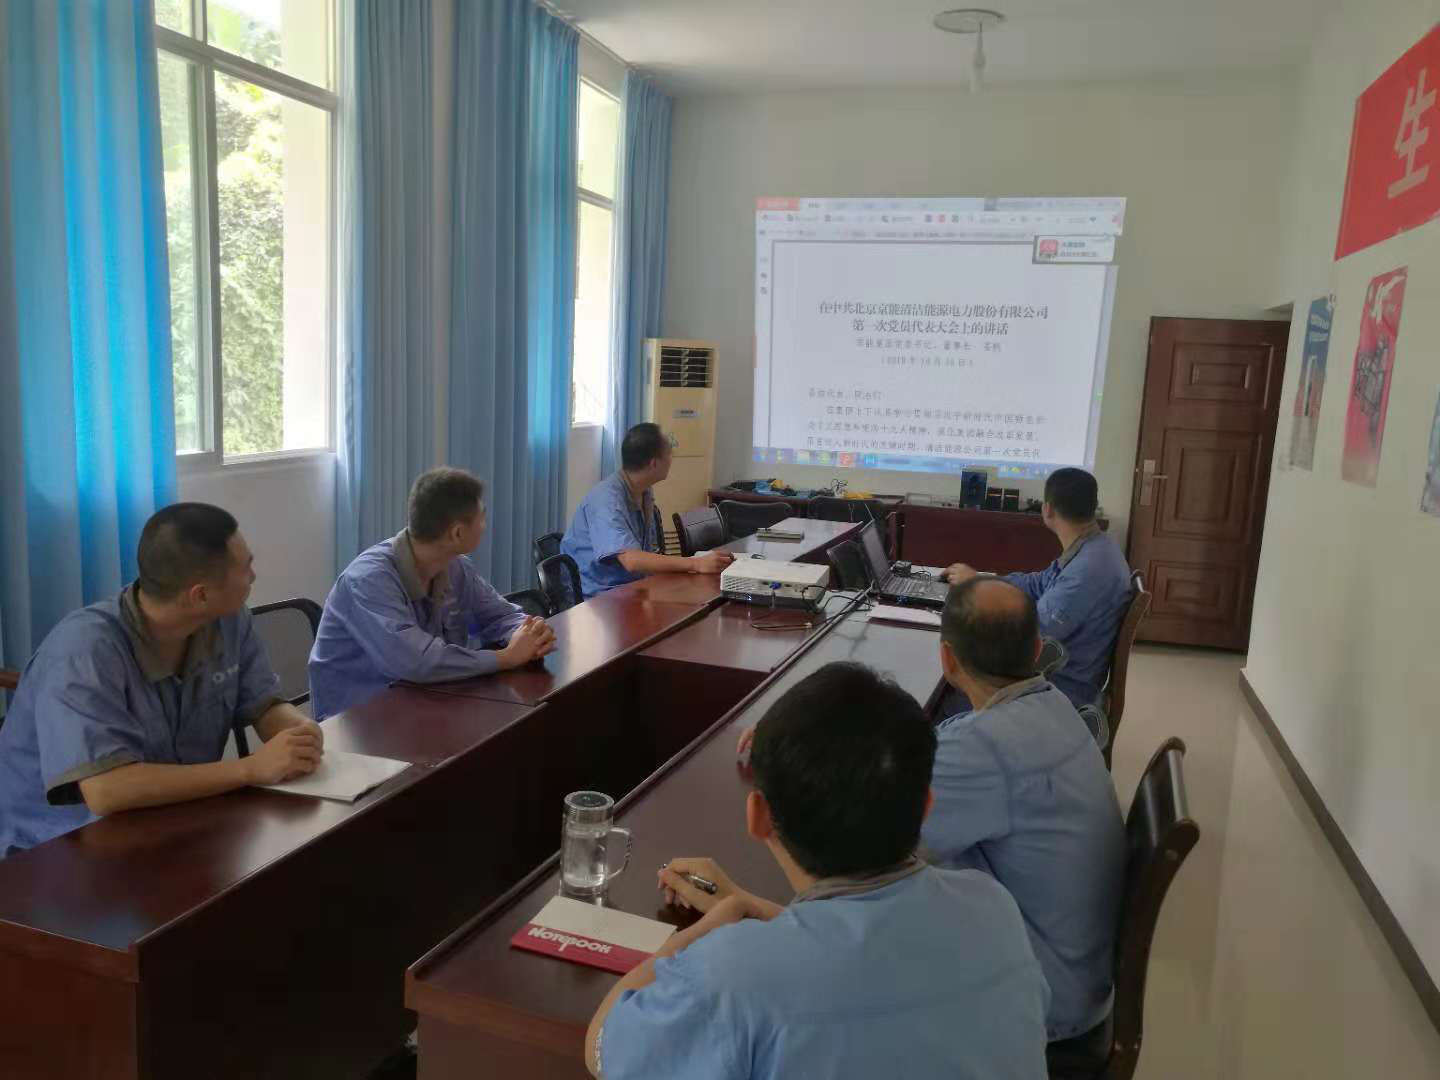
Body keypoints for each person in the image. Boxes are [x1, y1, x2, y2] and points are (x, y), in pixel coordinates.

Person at [586, 661, 1050, 1080]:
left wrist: (710, 928)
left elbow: (603, 1048)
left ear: (757, 817)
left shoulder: (732, 980)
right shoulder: (994, 908)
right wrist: (755, 908)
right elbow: (870, 961)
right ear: (925, 807)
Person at [0, 504, 323, 857]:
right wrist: (249, 769)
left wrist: (297, 731)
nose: (254, 576)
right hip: (53, 849)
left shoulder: (228, 620)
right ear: (200, 594)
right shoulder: (83, 652)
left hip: (167, 821)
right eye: (246, 568)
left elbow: (262, 704)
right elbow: (106, 790)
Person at [922, 576, 1126, 1044]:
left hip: (1045, 996)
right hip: (1075, 966)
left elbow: (879, 845)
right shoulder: (1053, 704)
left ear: (948, 660)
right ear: (1036, 650)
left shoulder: (983, 748)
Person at [308, 468, 555, 719]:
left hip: (423, 701)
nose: (485, 525)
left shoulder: (455, 566)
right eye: (482, 517)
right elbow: (417, 661)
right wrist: (505, 658)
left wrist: (529, 633)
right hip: (356, 721)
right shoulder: (367, 580)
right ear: (457, 533)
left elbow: (499, 615)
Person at [943, 467, 1132, 708]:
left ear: (1048, 509)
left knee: (950, 696)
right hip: (1060, 673)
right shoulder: (1096, 547)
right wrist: (981, 580)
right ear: (1093, 507)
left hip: (1060, 688)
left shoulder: (1088, 569)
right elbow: (1038, 583)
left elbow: (1033, 634)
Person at [562, 422, 733, 598]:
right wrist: (695, 564)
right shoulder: (606, 500)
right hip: (597, 598)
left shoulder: (644, 491)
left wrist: (697, 563)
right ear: (654, 464)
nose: (672, 458)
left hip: (633, 588)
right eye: (669, 453)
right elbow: (631, 560)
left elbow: (646, 558)